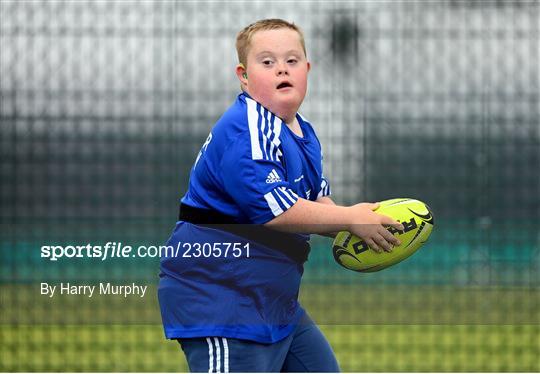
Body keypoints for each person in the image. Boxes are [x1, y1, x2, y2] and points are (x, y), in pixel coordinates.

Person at [158, 18, 404, 372]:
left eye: (291, 61)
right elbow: (276, 210)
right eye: (267, 62)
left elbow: (317, 201)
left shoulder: (303, 132)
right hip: (221, 299)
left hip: (273, 302)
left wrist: (370, 223)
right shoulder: (248, 126)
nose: (281, 70)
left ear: (307, 69)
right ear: (244, 76)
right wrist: (351, 217)